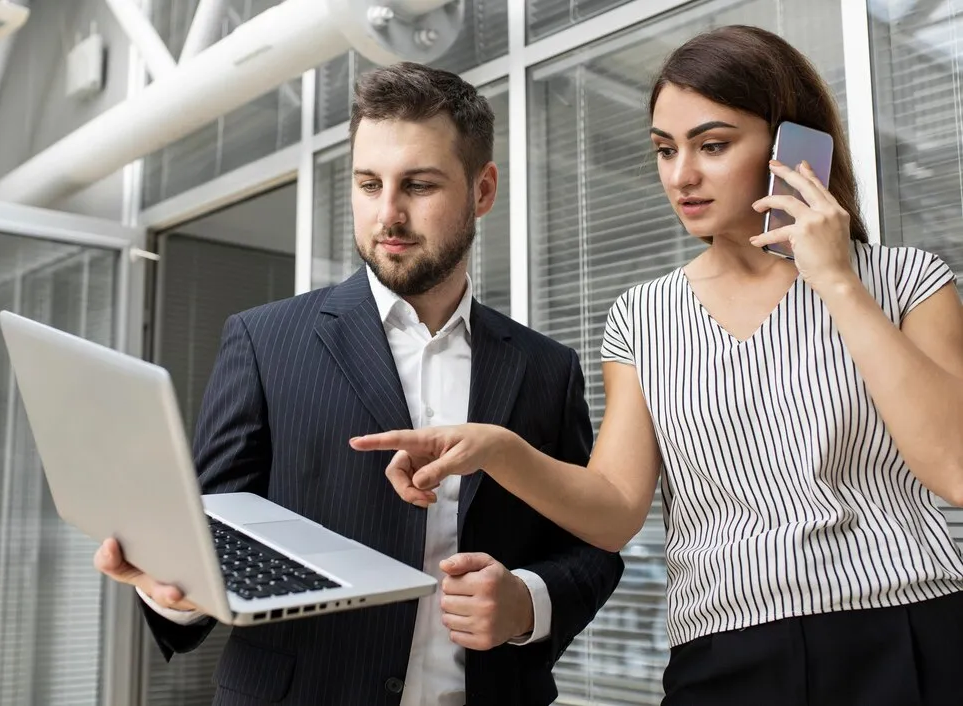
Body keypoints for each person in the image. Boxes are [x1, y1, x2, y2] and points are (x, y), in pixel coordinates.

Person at [351, 25, 963, 706]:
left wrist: (840, 283)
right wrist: (495, 449)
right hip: (724, 654)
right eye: (665, 150)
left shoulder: (908, 281)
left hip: (908, 629)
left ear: (796, 148)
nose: (681, 175)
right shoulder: (644, 316)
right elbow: (614, 512)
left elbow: (955, 468)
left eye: (713, 145)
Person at [94, 62, 623, 706]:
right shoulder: (265, 342)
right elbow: (209, 537)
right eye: (369, 184)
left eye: (419, 185)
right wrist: (169, 584)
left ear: (483, 190)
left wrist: (527, 603)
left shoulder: (547, 369)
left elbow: (593, 543)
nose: (388, 215)